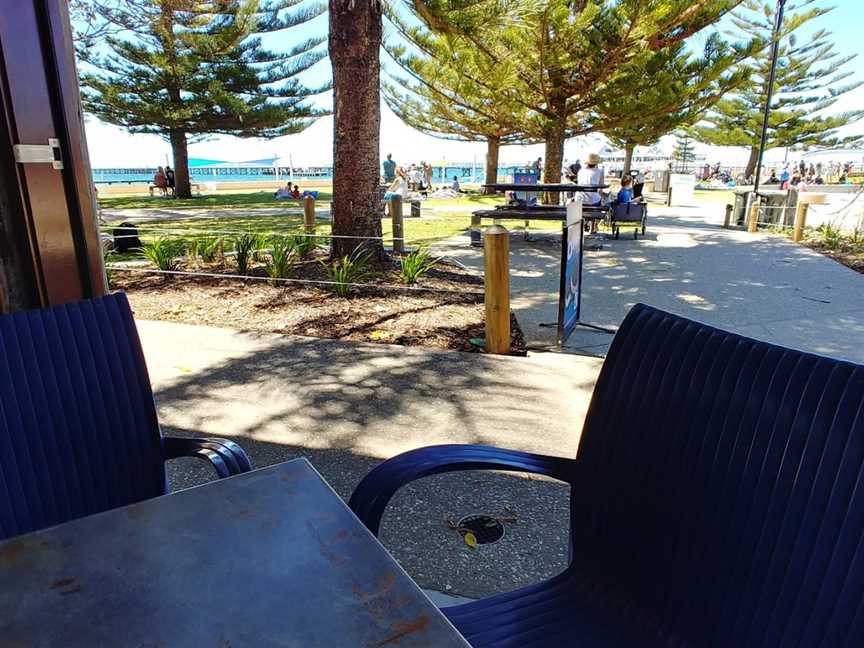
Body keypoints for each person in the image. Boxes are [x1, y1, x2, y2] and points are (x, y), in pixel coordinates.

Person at [577, 153, 605, 233]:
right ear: (596, 163)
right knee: (597, 199)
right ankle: (593, 227)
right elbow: (601, 187)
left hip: (580, 199)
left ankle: (584, 224)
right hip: (593, 201)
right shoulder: (600, 171)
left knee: (592, 198)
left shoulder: (581, 171)